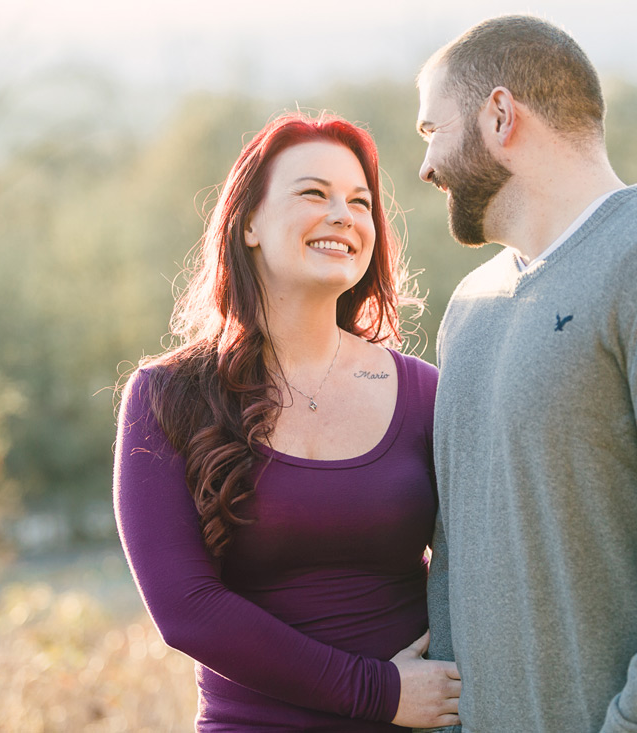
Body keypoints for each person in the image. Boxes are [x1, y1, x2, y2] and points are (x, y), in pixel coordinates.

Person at [415, 15, 637, 733]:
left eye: (431, 131)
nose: (425, 166)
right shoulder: (468, 308)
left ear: (500, 115)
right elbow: (453, 549)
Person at [113, 111, 461, 731]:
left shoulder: (424, 392)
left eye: (360, 202)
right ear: (248, 222)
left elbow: (484, 558)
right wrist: (375, 691)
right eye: (313, 194)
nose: (344, 216)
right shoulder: (167, 396)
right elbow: (186, 610)